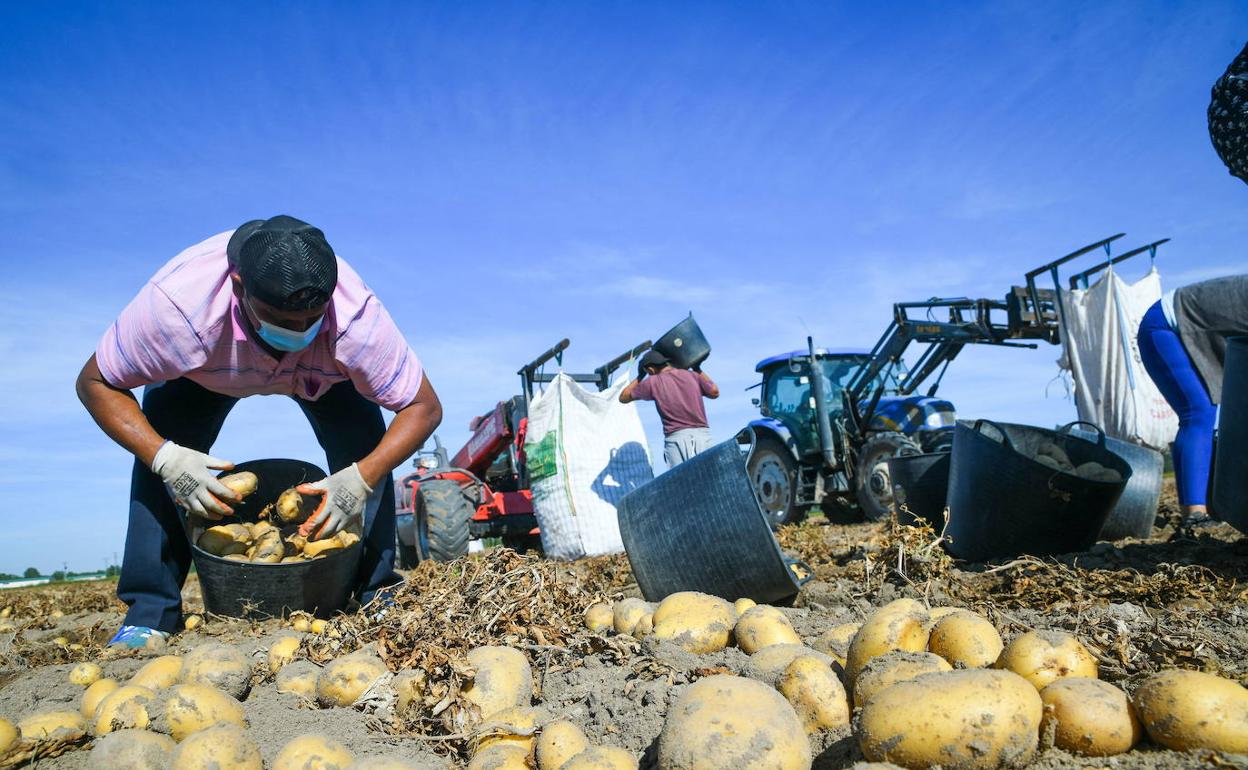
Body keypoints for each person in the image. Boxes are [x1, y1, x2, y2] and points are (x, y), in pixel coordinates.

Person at [76, 216, 443, 647]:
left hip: (325, 376)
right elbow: (95, 382)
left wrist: (361, 477)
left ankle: (376, 590)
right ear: (237, 287)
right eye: (279, 319)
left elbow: (424, 407)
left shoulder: (354, 321)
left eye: (311, 318)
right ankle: (150, 612)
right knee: (160, 455)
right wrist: (165, 457)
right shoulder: (178, 311)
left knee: (367, 453)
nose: (298, 331)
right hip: (203, 375)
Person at [1137, 274, 1248, 526]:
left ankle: (1206, 507)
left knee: (1201, 413)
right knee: (1197, 411)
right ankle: (1195, 515)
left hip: (1186, 329)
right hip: (1165, 324)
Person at [620, 350, 719, 468]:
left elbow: (623, 397)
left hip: (677, 439)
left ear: (650, 369)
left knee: (681, 483)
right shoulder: (692, 375)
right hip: (703, 436)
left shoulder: (652, 382)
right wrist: (697, 369)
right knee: (711, 478)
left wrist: (640, 376)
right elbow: (714, 392)